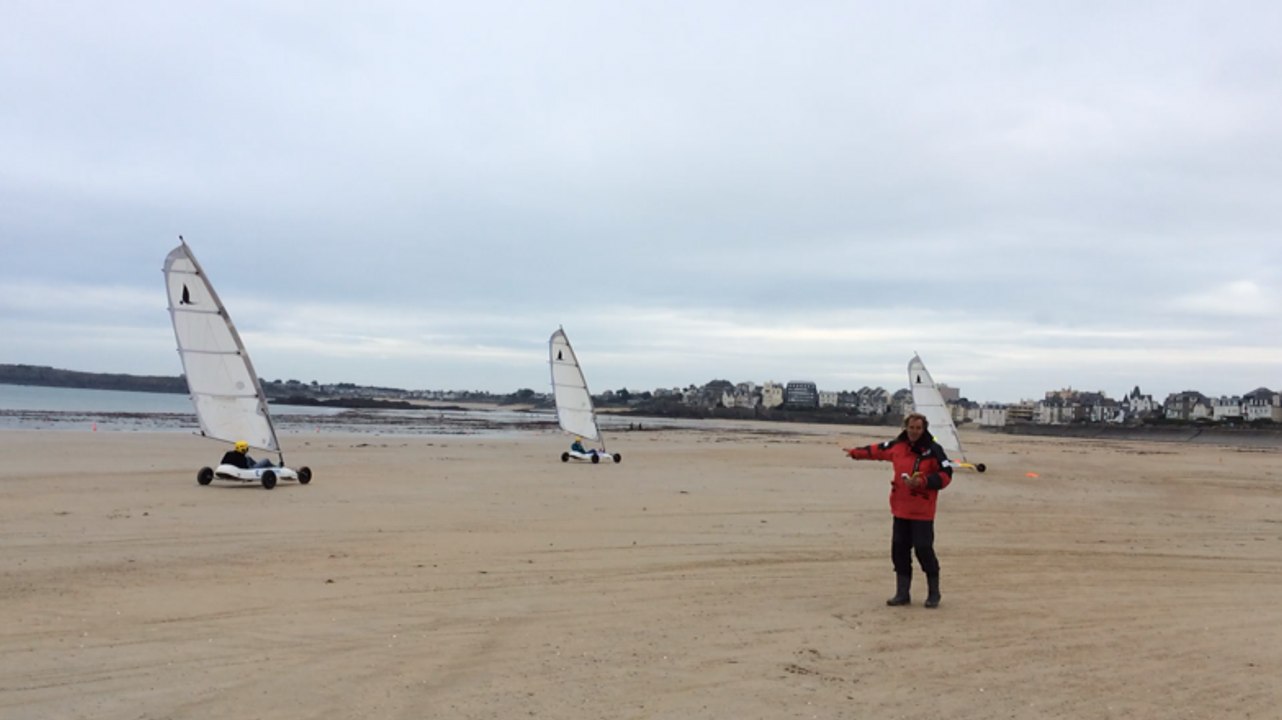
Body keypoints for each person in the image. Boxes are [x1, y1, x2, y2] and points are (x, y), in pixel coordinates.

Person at [844, 412, 953, 608]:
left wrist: (923, 481)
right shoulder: (898, 445)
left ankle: (933, 593)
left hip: (922, 511)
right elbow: (876, 450)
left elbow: (946, 474)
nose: (914, 431)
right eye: (911, 428)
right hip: (900, 509)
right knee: (899, 551)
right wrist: (855, 453)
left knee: (923, 549)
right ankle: (902, 594)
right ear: (906, 427)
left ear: (924, 429)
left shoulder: (934, 450)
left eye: (918, 428)